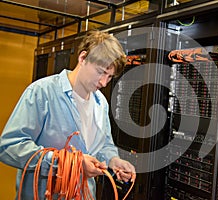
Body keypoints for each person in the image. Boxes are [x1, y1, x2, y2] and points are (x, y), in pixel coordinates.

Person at [0, 29, 136, 199]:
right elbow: (9, 147)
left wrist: (113, 160)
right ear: (83, 58)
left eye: (109, 77)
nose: (103, 82)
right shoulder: (42, 92)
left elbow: (103, 146)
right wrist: (68, 164)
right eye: (101, 72)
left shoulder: (101, 103)